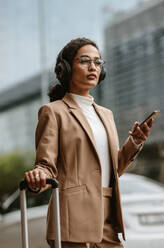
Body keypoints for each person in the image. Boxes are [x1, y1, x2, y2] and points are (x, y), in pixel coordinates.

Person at [25, 38, 153, 248]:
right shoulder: (54, 112)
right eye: (84, 61)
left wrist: (135, 142)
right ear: (66, 68)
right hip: (73, 218)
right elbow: (46, 165)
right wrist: (39, 175)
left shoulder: (106, 114)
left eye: (97, 62)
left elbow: (113, 169)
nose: (93, 67)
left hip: (108, 215)